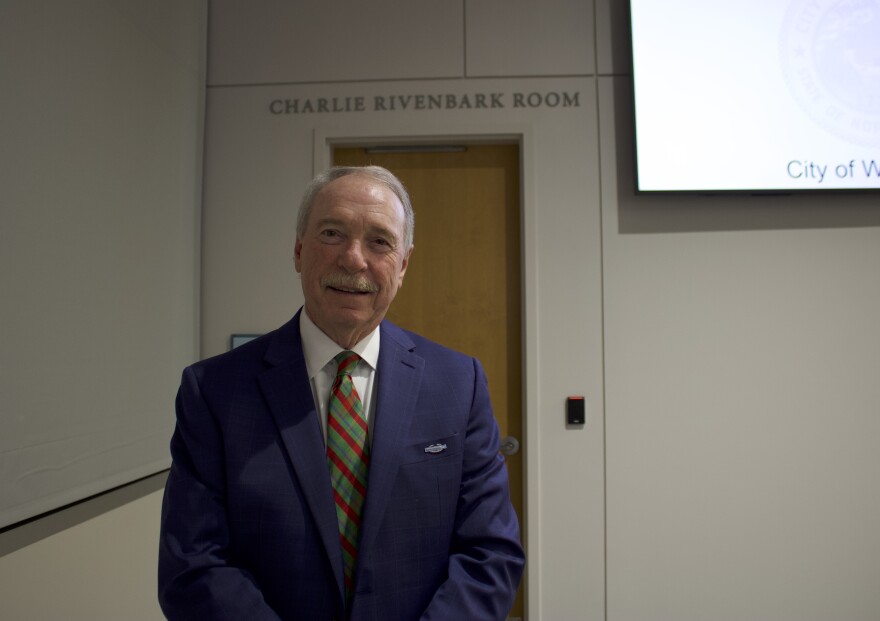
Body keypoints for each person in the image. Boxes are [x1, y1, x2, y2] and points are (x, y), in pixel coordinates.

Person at [158, 165, 525, 620]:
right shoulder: (214, 392)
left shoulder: (458, 384)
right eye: (332, 233)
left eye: (379, 241)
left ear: (404, 263)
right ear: (298, 250)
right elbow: (193, 566)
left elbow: (490, 554)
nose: (353, 259)